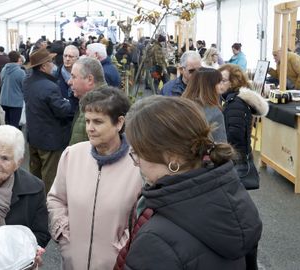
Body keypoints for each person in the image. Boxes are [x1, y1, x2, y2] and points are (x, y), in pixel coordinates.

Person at [115, 96, 262, 270]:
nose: (136, 161)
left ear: (173, 157)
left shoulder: (156, 240)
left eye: (138, 153)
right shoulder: (232, 196)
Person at [47, 87, 142, 270]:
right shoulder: (72, 155)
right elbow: (56, 199)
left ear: (119, 123)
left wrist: (121, 249)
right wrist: (65, 237)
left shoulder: (138, 164)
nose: (90, 128)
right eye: (88, 120)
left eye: (98, 122)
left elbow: (142, 216)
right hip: (73, 263)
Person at [0, 125, 50, 248]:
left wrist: (12, 253)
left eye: (5, 158)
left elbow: (40, 234)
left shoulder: (34, 187)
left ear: (18, 162)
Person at [23, 48, 73, 192]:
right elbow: (62, 110)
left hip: (34, 136)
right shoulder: (50, 87)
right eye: (50, 62)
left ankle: (35, 202)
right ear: (44, 66)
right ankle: (48, 209)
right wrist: (70, 101)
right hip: (50, 140)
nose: (53, 64)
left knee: (35, 175)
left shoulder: (27, 81)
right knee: (50, 179)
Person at [219, 64, 269, 188]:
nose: (219, 83)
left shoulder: (235, 103)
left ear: (233, 82)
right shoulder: (233, 100)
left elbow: (234, 136)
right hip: (238, 159)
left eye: (223, 80)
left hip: (237, 162)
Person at [68, 57, 107, 145]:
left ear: (89, 79)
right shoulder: (89, 103)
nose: (69, 82)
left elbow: (78, 154)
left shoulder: (96, 108)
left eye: (73, 77)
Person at [182, 68, 227, 143]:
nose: (221, 86)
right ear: (210, 85)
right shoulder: (214, 113)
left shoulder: (181, 105)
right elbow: (221, 145)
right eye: (218, 82)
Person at [0, 51, 26, 128]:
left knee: (7, 126)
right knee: (15, 126)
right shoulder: (21, 72)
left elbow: (1, 83)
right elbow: (24, 88)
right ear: (18, 59)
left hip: (3, 100)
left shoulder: (4, 70)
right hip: (16, 102)